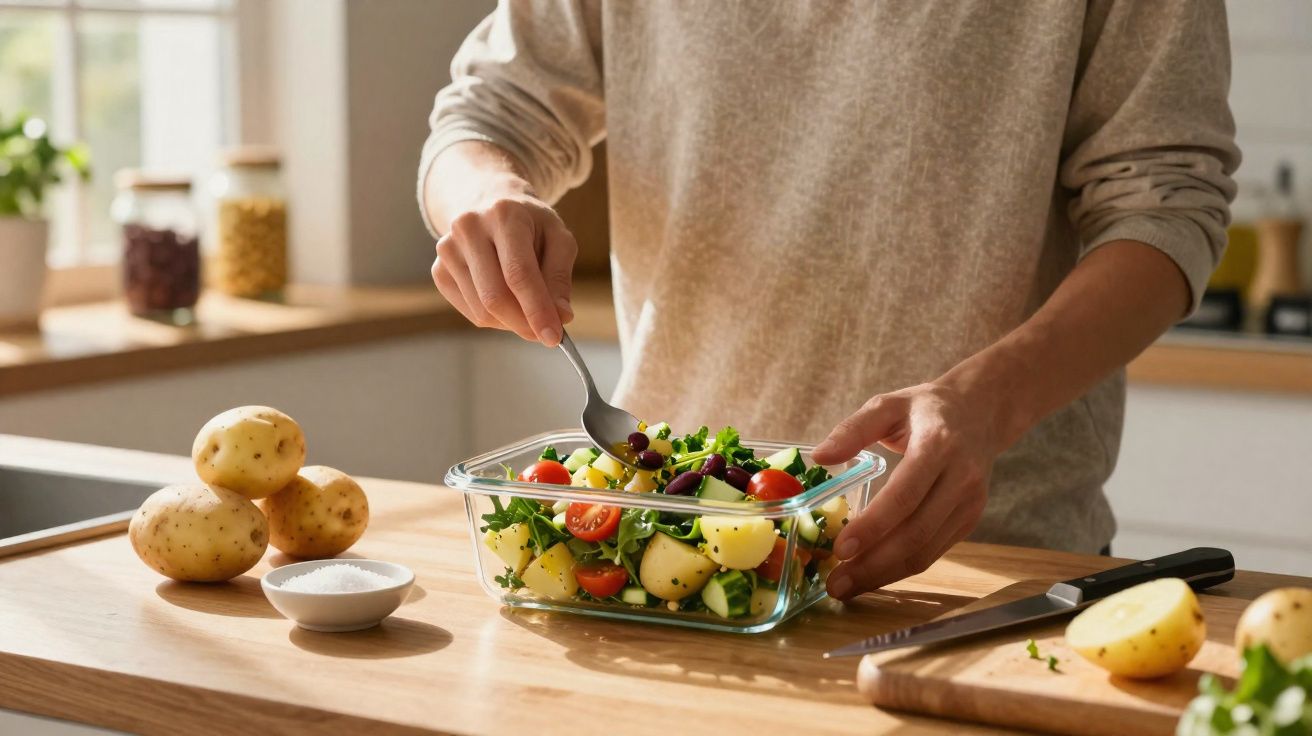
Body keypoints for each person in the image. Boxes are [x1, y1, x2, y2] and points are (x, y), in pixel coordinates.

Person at [418, 1, 1238, 600]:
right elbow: (490, 111)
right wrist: (483, 196)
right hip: (662, 557)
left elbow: (1166, 205)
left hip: (989, 566)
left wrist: (989, 402)